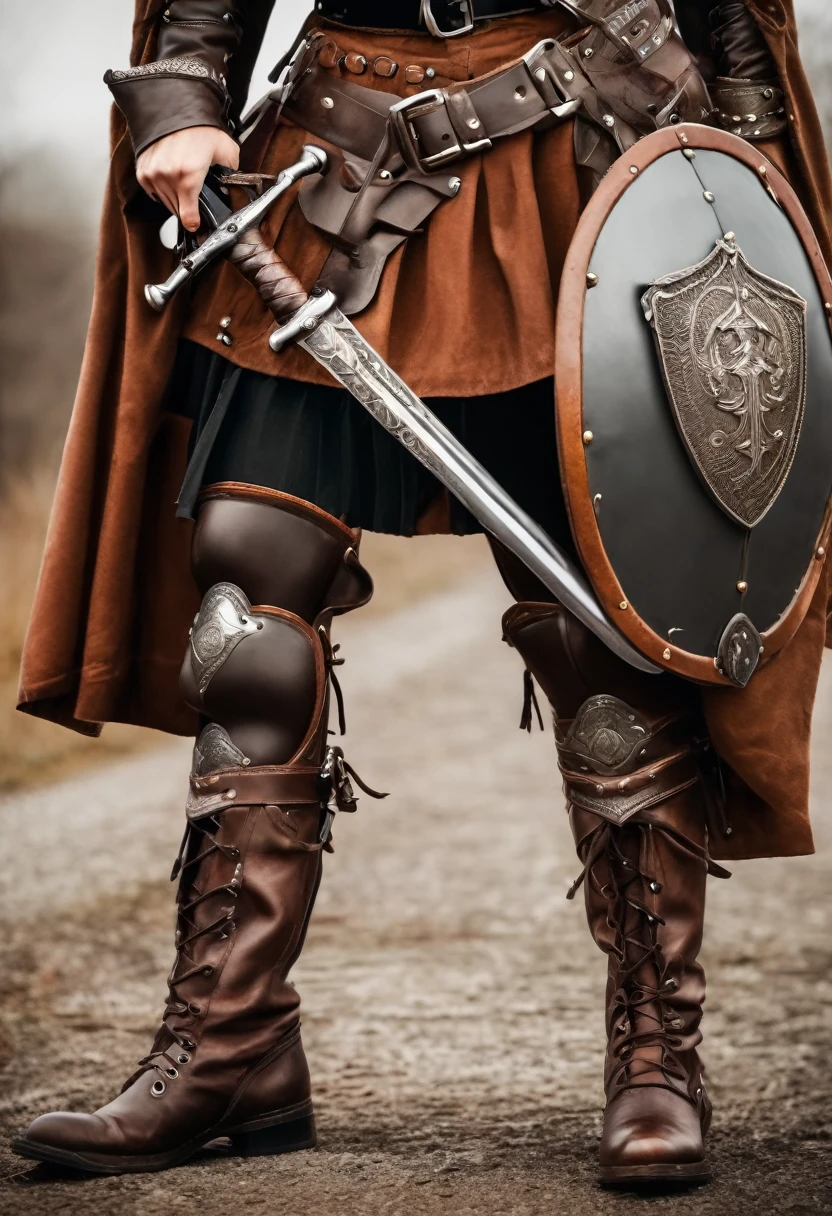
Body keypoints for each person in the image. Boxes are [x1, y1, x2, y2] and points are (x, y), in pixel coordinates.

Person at [12, 0, 832, 1189]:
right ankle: (231, 1047)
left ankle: (657, 1052)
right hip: (337, 161)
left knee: (607, 630)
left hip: (581, 166)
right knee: (247, 606)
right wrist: (185, 90)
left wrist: (753, 191)